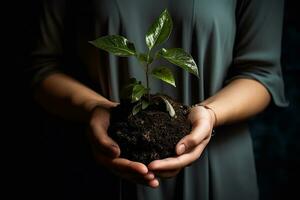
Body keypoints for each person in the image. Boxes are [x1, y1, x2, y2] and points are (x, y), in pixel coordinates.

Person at [27, 0, 288, 199]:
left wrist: (210, 113)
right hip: (99, 164)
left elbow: (261, 74)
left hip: (218, 169)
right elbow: (42, 67)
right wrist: (96, 108)